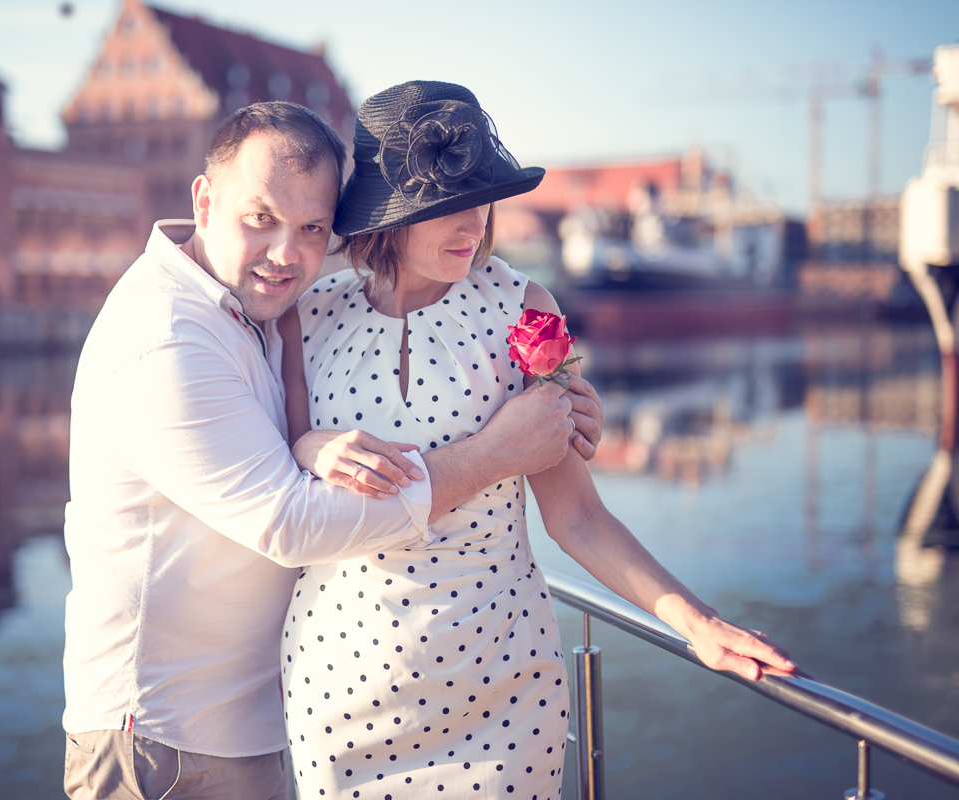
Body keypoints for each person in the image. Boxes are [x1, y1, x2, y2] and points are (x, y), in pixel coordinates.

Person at [61, 101, 605, 800]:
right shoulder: (166, 335)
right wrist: (495, 454)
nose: (286, 253)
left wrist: (561, 396)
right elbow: (291, 522)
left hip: (264, 720)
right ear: (204, 201)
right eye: (260, 218)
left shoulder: (256, 305)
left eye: (312, 228)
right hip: (165, 740)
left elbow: (377, 287)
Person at [279, 80, 797, 800]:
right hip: (340, 688)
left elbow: (576, 515)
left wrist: (695, 621)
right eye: (449, 205)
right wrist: (307, 447)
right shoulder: (307, 316)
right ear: (390, 214)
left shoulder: (524, 307)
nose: (475, 222)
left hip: (500, 696)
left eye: (483, 197)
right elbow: (284, 482)